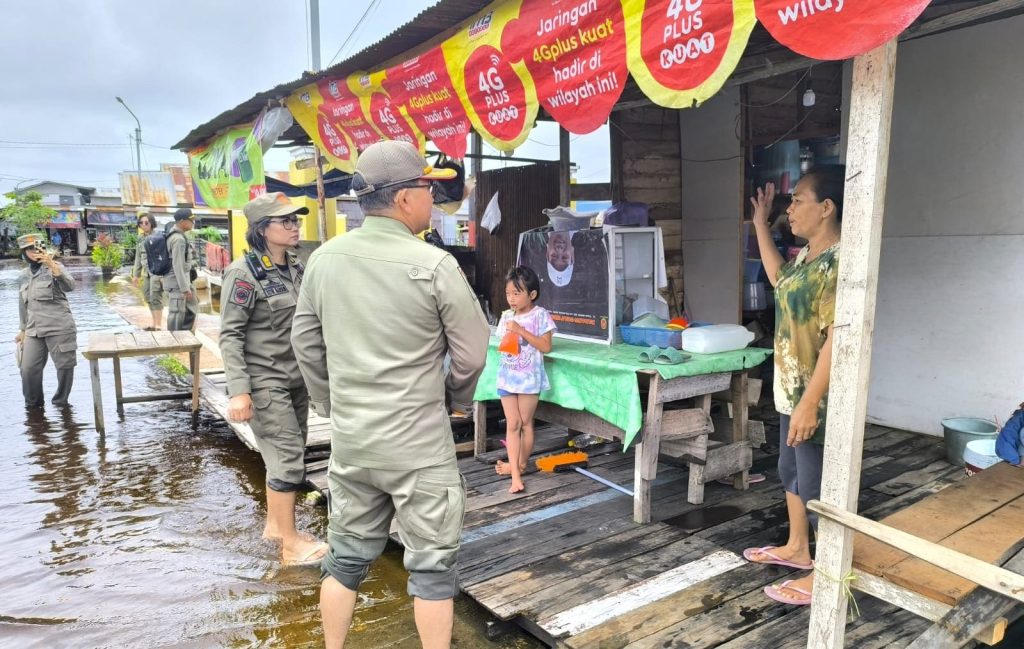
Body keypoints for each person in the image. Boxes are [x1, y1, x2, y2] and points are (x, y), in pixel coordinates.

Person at [291, 140, 489, 649]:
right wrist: (452, 398)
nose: (432, 198)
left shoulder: (323, 260)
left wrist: (333, 406)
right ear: (404, 199)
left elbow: (305, 344)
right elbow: (470, 355)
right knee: (432, 570)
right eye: (427, 188)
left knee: (345, 559)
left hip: (354, 443)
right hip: (419, 446)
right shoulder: (436, 265)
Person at [742, 165, 845, 606]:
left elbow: (837, 338)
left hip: (815, 398)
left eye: (798, 199)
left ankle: (829, 574)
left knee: (820, 483)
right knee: (791, 472)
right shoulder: (806, 258)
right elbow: (778, 278)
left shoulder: (840, 262)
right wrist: (759, 226)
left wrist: (810, 402)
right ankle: (798, 548)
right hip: (790, 390)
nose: (791, 207)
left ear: (826, 208)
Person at [219, 192, 326, 566]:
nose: (295, 226)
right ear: (263, 229)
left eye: (296, 220)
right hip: (266, 382)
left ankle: (275, 528)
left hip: (296, 379)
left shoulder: (296, 267)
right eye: (286, 222)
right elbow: (230, 335)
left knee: (287, 452)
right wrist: (240, 392)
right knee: (287, 460)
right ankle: (291, 545)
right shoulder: (243, 274)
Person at [493, 266, 555, 494]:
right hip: (507, 378)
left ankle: (519, 464)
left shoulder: (540, 315)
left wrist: (520, 331)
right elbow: (503, 346)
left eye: (516, 293)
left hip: (529, 380)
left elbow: (546, 347)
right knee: (512, 423)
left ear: (532, 295)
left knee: (525, 424)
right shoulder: (506, 316)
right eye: (508, 293)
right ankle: (516, 477)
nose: (511, 298)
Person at [15, 233, 77, 408]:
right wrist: (22, 330)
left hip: (59, 326)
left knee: (64, 367)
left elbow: (70, 286)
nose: (34, 252)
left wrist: (52, 266)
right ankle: (34, 408)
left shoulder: (56, 266)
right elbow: (22, 303)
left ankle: (61, 403)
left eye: (36, 247)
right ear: (23, 252)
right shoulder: (23, 275)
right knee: (27, 369)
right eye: (29, 249)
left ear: (43, 247)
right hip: (34, 329)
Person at [164, 208, 198, 332]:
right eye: (191, 220)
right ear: (183, 221)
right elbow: (177, 265)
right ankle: (174, 342)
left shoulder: (179, 236)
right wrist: (184, 288)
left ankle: (185, 339)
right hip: (177, 284)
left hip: (183, 281)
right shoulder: (178, 239)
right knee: (176, 314)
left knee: (191, 309)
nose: (193, 223)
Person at [131, 210, 164, 331]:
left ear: (152, 223)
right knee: (147, 297)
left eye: (146, 222)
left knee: (155, 297)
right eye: (141, 223)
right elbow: (138, 257)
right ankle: (154, 323)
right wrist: (136, 275)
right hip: (146, 272)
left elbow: (164, 257)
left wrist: (163, 275)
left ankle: (158, 325)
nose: (143, 225)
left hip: (157, 272)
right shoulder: (140, 239)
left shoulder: (159, 237)